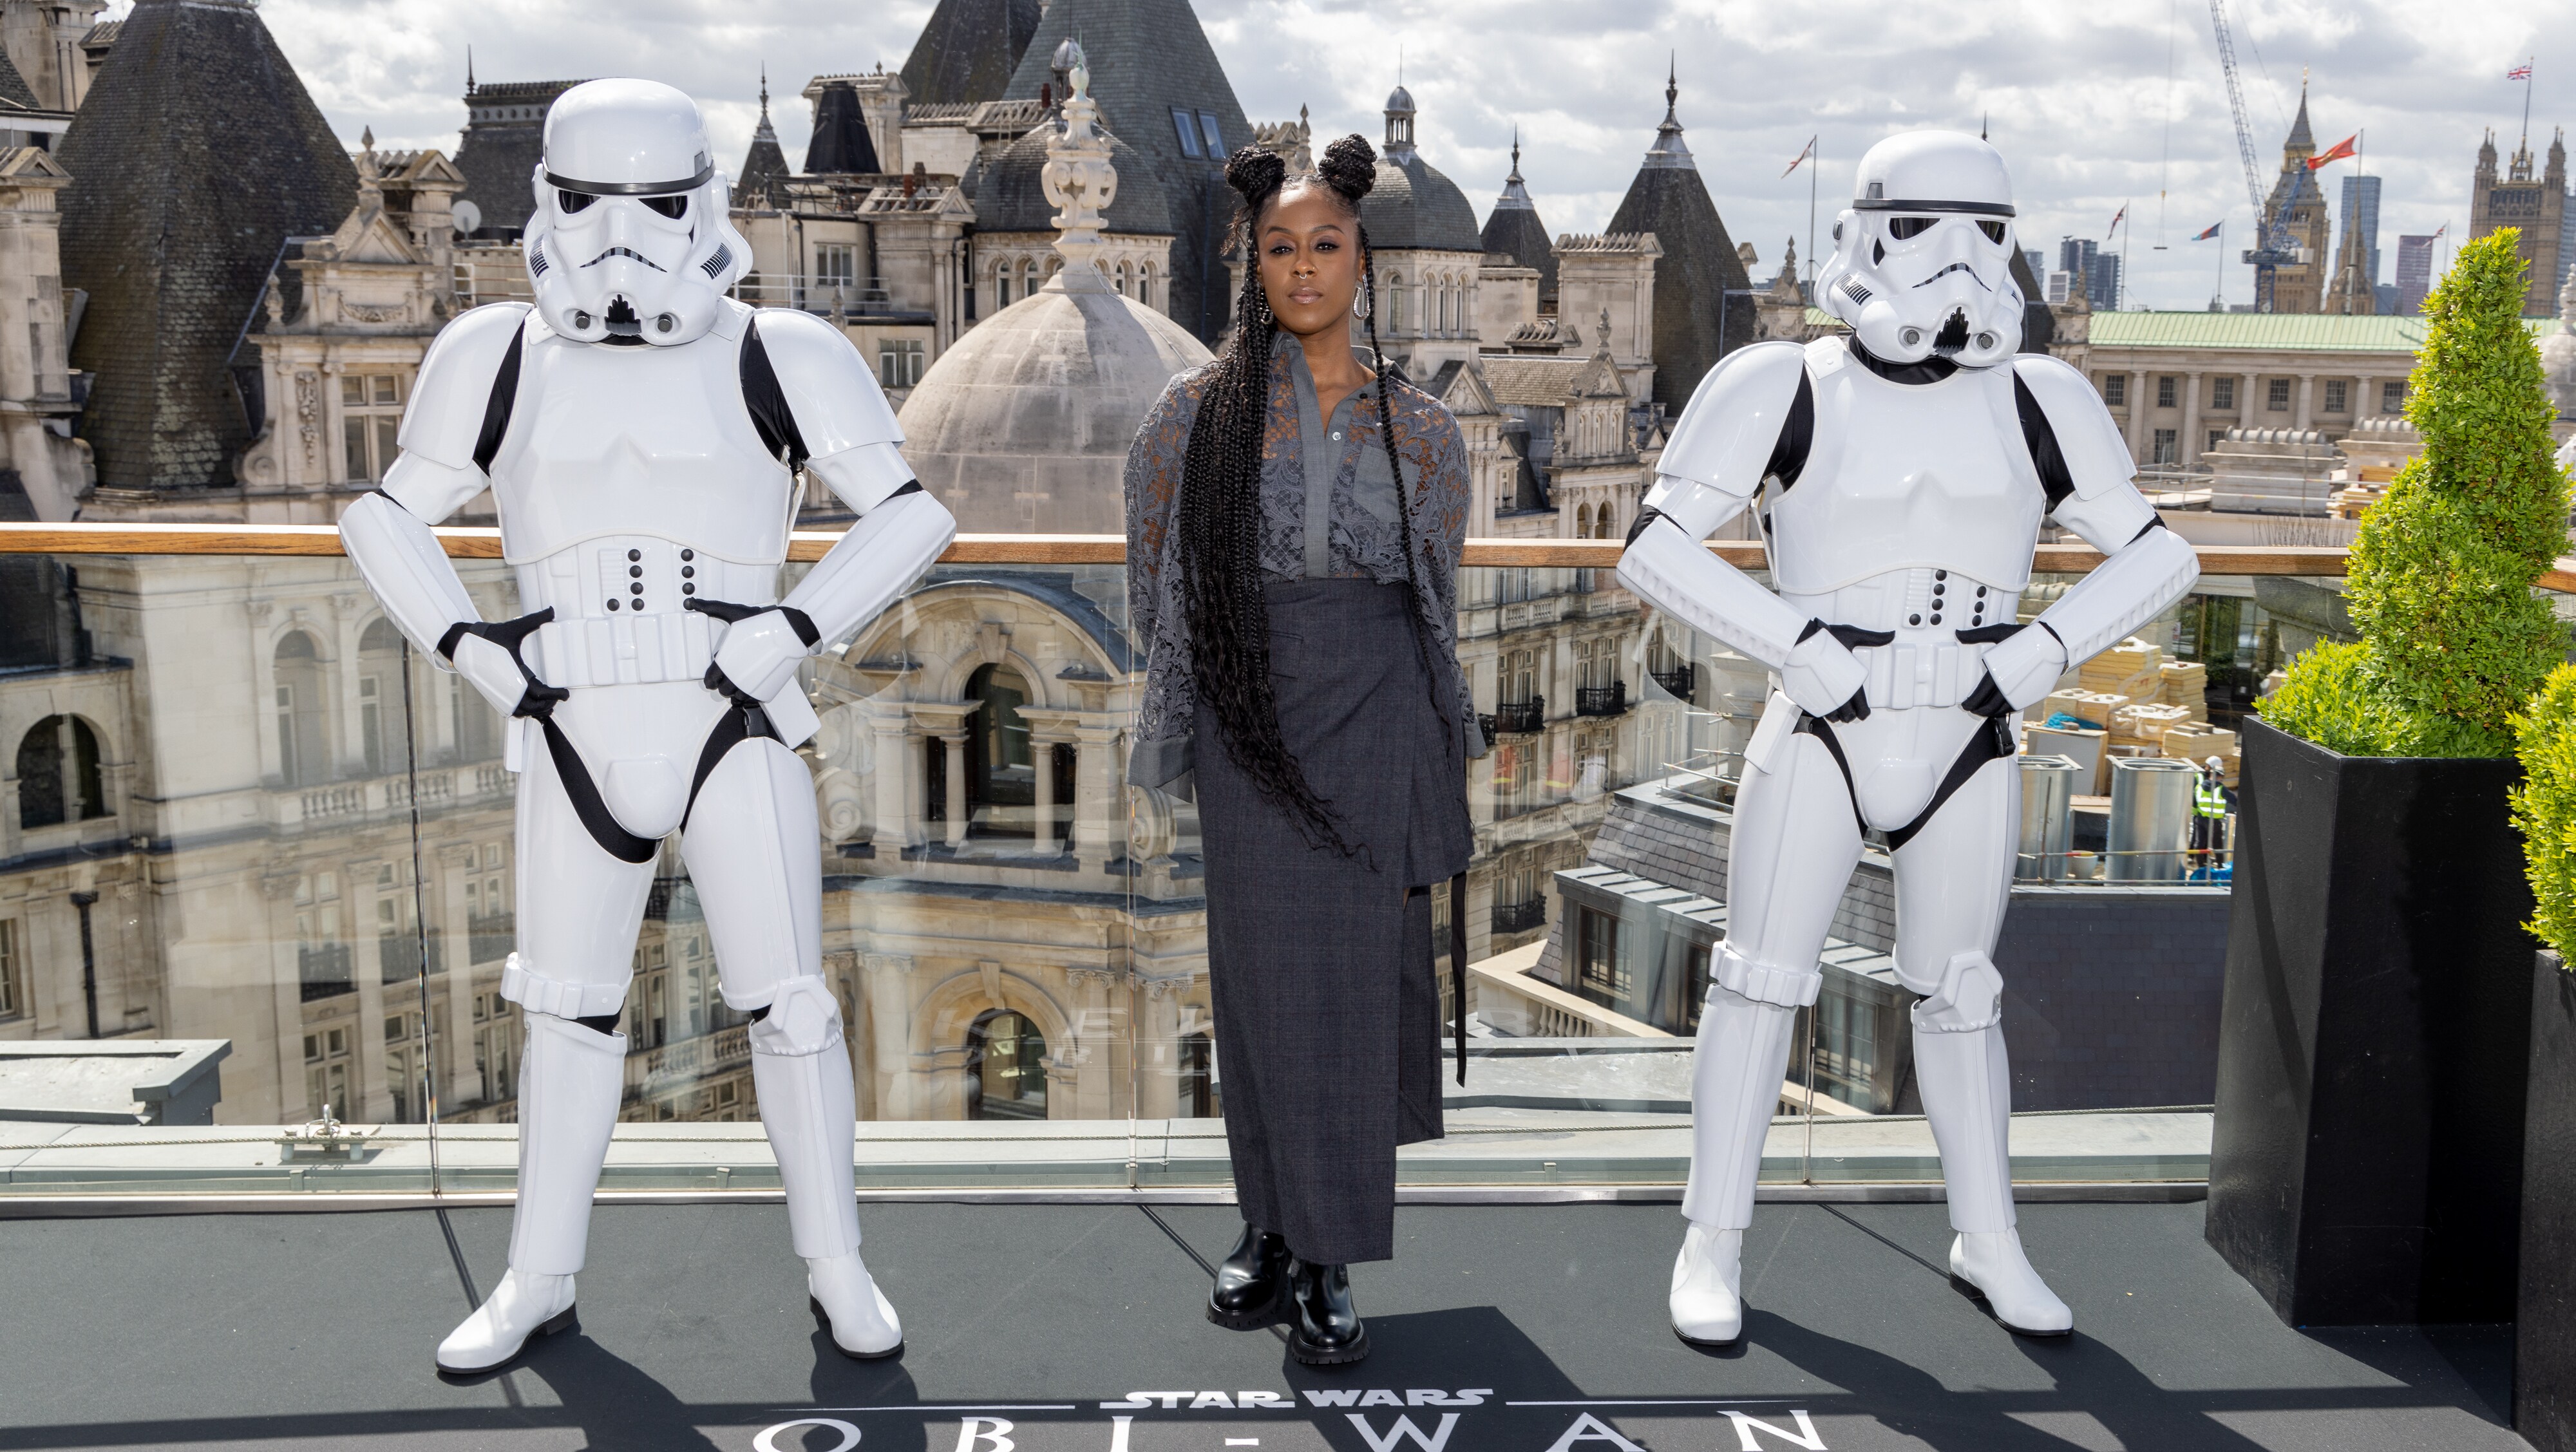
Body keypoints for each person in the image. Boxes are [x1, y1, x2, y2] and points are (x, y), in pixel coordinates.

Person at [337, 79, 955, 1373]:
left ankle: (837, 1264)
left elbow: (907, 514)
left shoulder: (779, 351)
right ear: (545, 202)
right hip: (570, 723)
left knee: (788, 1005)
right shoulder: (491, 353)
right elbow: (384, 517)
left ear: (704, 203)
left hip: (729, 718)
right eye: (588, 200)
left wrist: (791, 629)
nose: (622, 235)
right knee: (564, 1012)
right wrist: (474, 650)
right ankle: (536, 1275)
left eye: (656, 201)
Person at [1615, 130, 2201, 1345]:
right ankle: (1711, 1238)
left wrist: (2033, 657)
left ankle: (1990, 1239)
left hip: (1971, 726)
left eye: (1989, 233)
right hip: (1829, 717)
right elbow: (1656, 546)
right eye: (1931, 227)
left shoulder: (2043, 397)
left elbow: (2161, 555)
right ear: (1871, 231)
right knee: (1758, 982)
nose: (1961, 259)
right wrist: (1800, 651)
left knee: (1963, 996)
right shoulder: (1779, 382)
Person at [1123, 135, 1481, 1365]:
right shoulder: (1186, 420)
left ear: (1364, 259)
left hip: (1373, 716)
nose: (1303, 266)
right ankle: (1267, 1226)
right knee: (1260, 986)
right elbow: (1154, 578)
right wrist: (1188, 711)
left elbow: (1432, 595)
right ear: (1251, 263)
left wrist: (1441, 746)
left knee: (1350, 991)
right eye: (1280, 246)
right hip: (1249, 717)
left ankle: (1324, 1254)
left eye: (1326, 242)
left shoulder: (1429, 430)